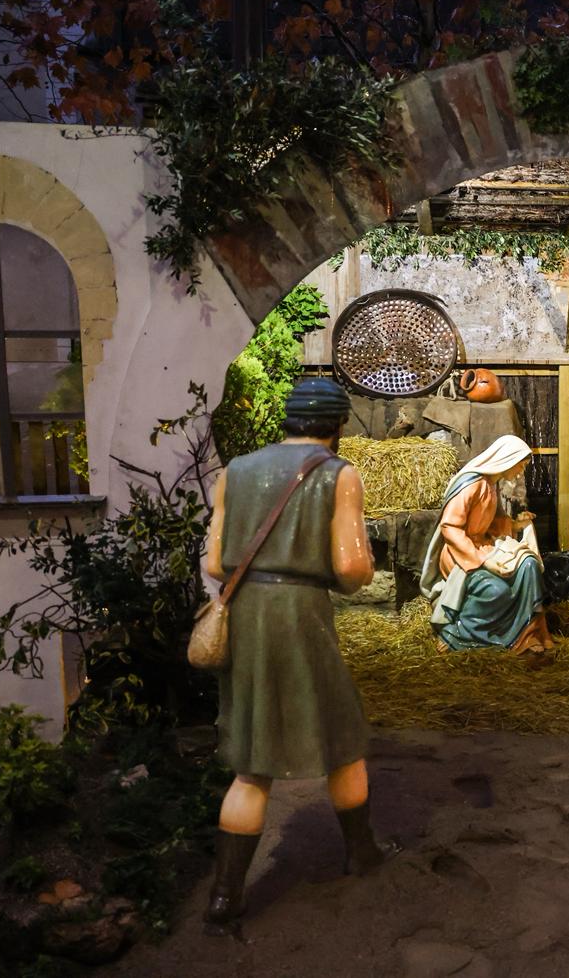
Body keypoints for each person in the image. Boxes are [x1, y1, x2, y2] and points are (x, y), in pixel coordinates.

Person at [200, 377, 397, 935]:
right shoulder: (338, 474)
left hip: (246, 617)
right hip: (301, 615)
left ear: (286, 420)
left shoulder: (234, 472)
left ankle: (224, 894)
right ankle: (361, 852)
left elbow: (216, 565)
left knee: (252, 761)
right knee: (342, 734)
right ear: (337, 427)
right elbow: (353, 570)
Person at [417, 434, 553, 656]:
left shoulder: (490, 485)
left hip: (485, 547)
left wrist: (516, 525)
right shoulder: (471, 485)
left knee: (528, 565)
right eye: (520, 465)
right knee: (496, 589)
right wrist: (484, 561)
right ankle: (456, 635)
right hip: (460, 554)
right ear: (507, 459)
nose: (520, 472)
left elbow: (493, 522)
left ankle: (528, 632)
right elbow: (449, 527)